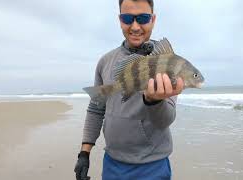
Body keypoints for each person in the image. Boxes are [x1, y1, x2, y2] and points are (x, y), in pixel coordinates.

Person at [74, 0, 184, 179]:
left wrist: (153, 101)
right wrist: (84, 153)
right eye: (127, 18)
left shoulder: (168, 62)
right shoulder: (105, 61)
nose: (135, 26)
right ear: (120, 20)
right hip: (112, 162)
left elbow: (166, 120)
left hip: (153, 166)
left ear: (153, 19)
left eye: (143, 18)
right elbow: (96, 109)